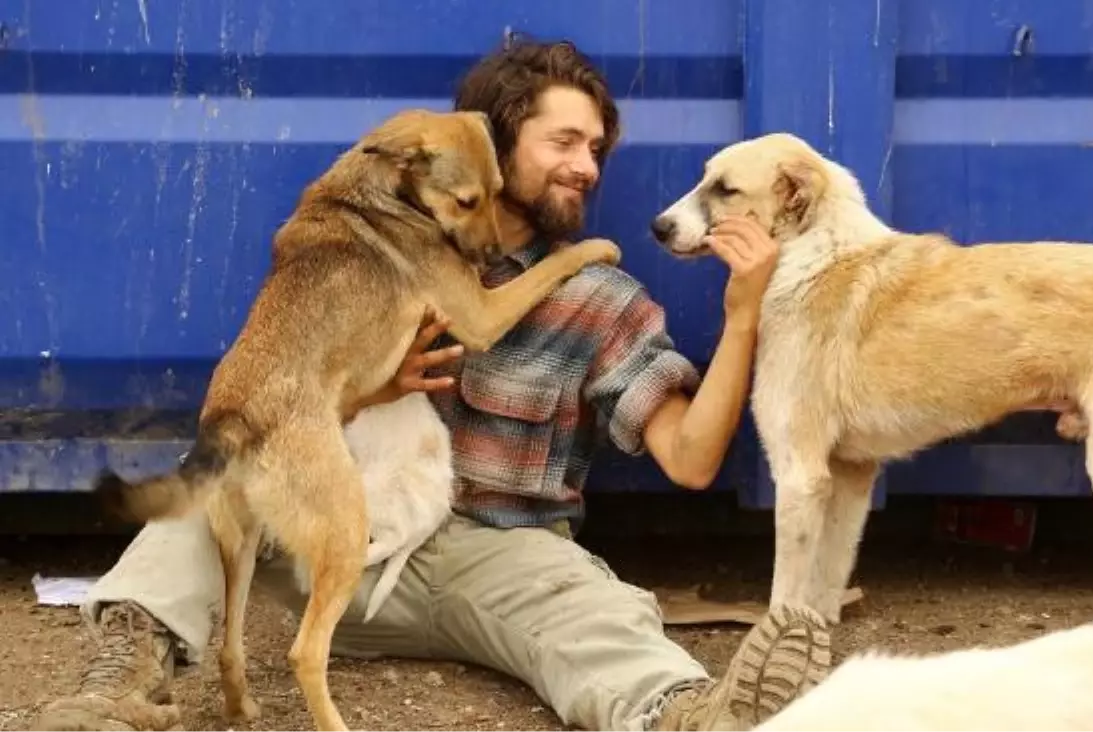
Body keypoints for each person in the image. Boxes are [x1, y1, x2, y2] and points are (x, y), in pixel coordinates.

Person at [31, 38, 831, 732]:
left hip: (498, 560)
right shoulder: (373, 251)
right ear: (496, 140)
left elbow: (691, 460)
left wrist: (742, 318)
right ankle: (117, 691)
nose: (585, 167)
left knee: (597, 609)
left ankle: (691, 713)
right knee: (204, 494)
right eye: (565, 141)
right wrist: (372, 390)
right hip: (350, 541)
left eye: (596, 150)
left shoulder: (600, 300)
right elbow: (287, 407)